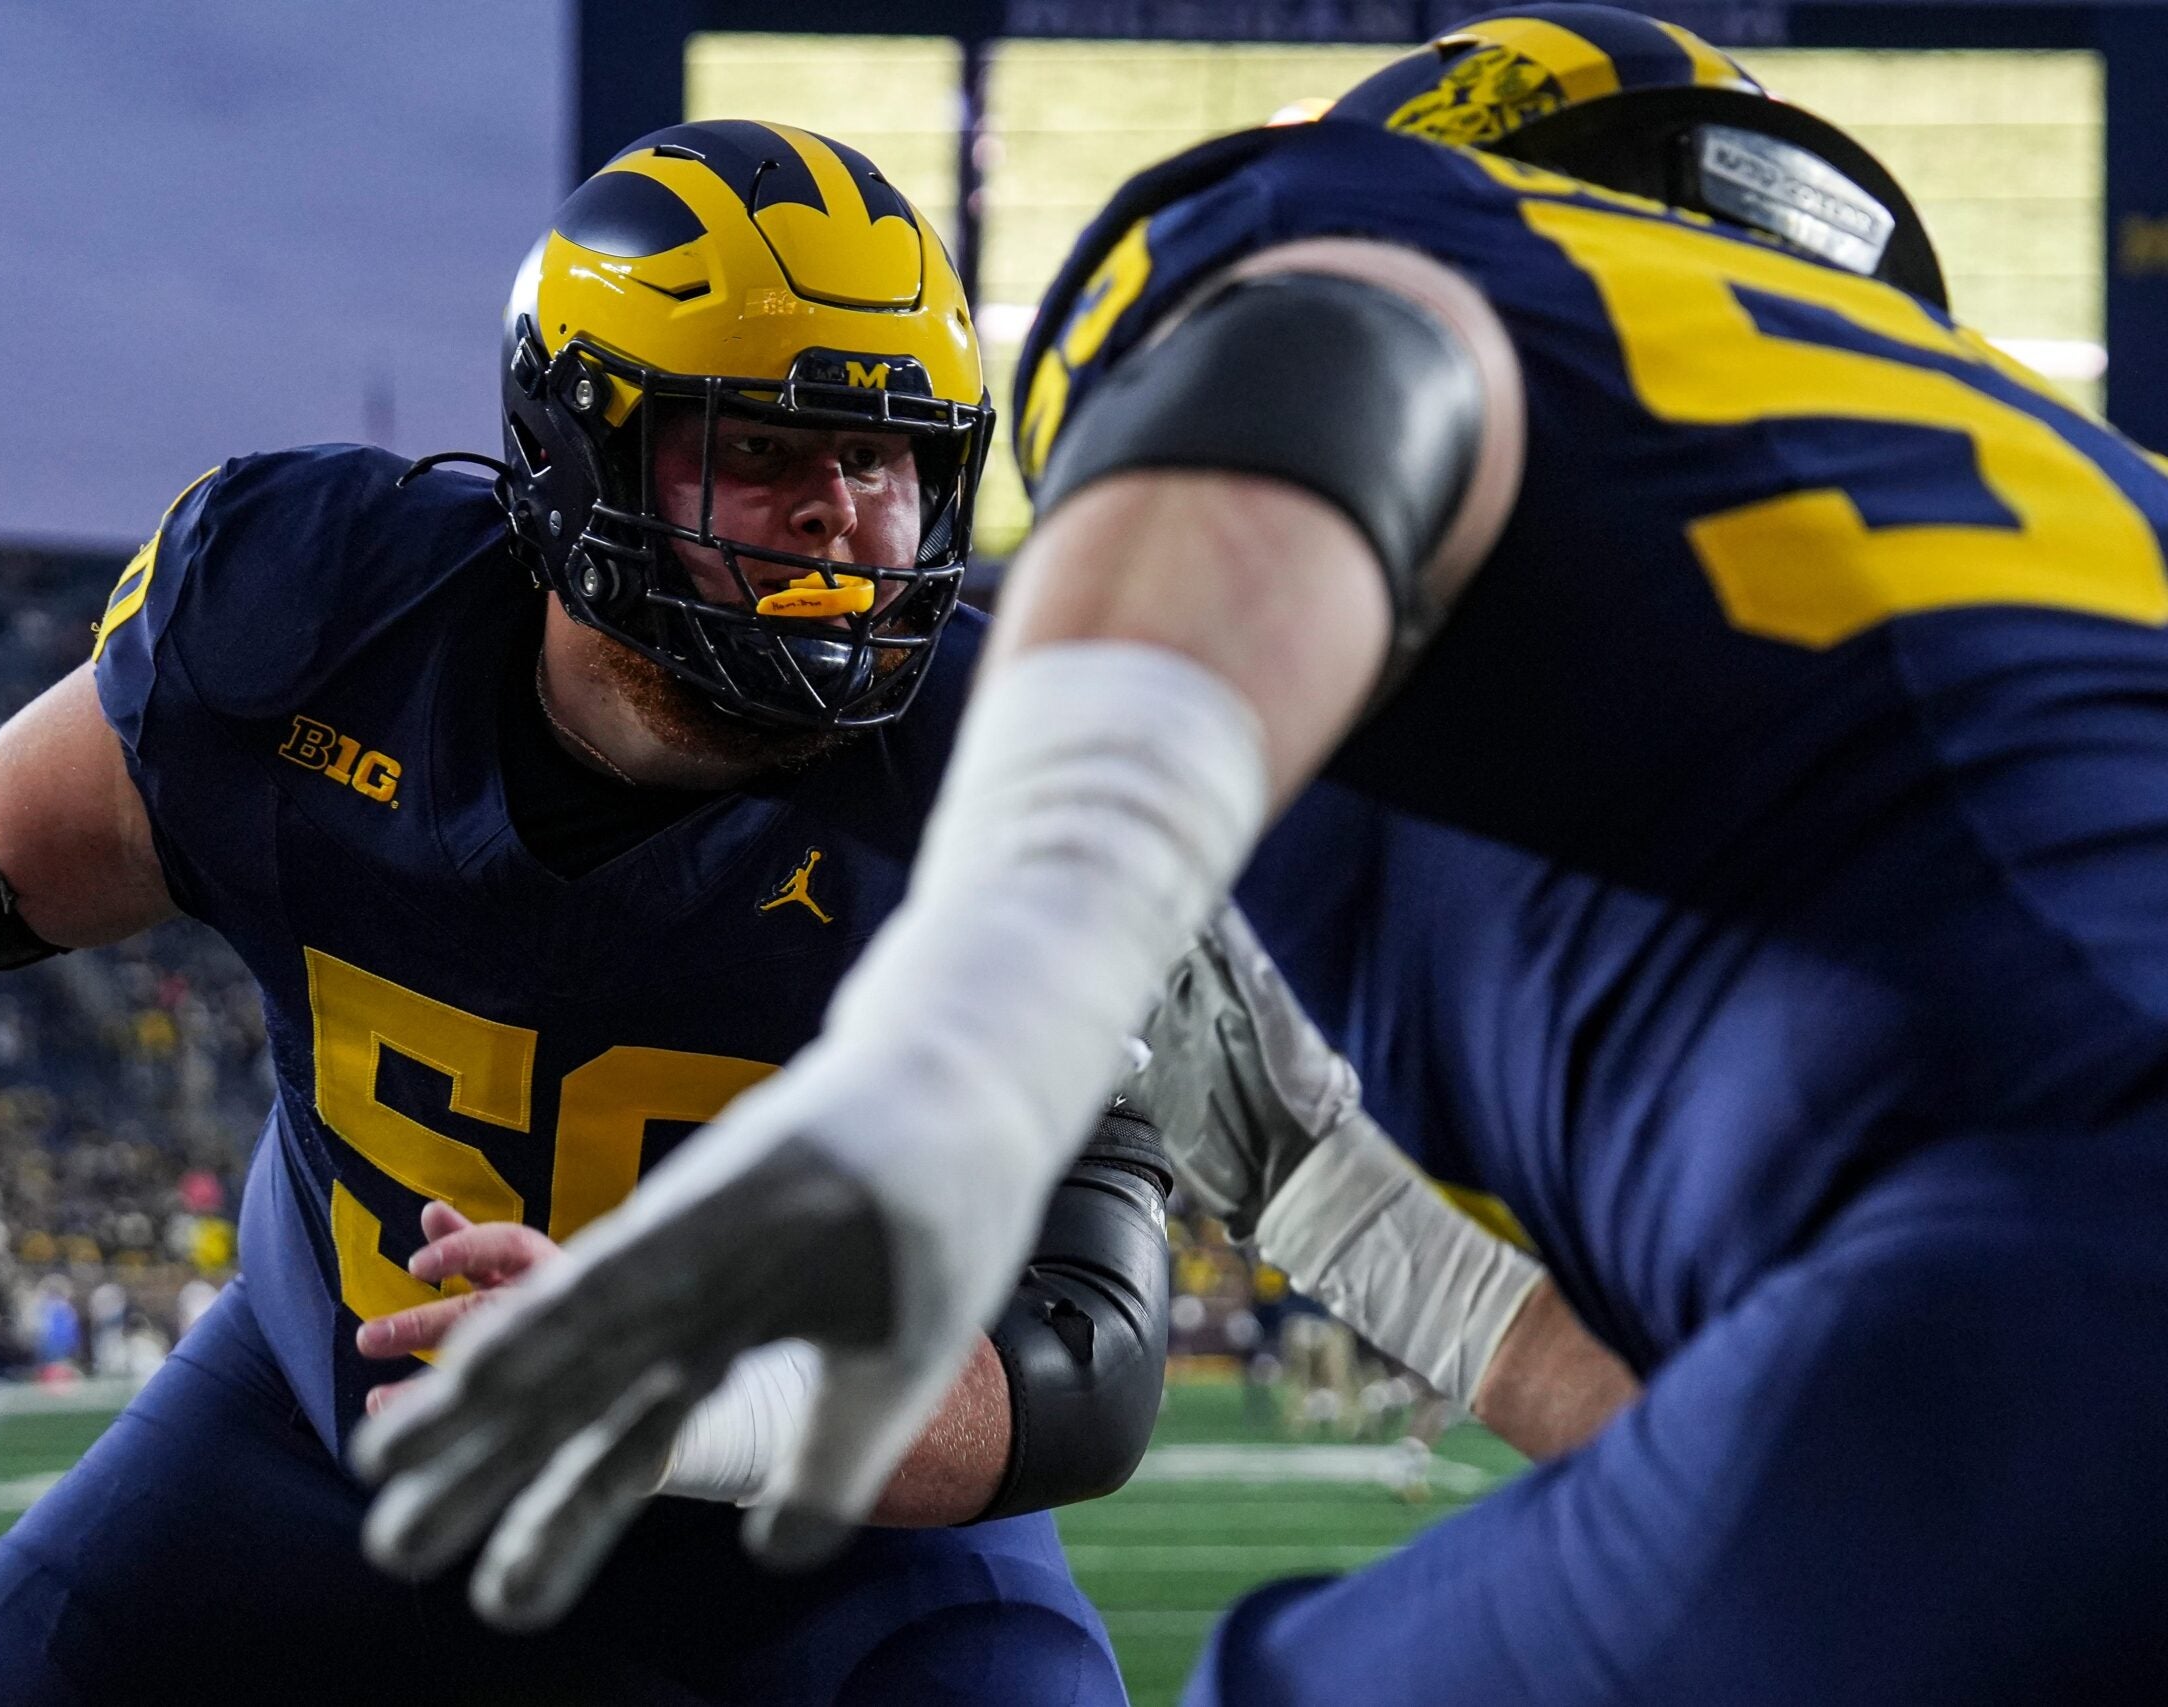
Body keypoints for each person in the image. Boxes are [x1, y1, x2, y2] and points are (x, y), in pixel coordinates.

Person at [374, 10, 2168, 1701]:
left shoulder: (1376, 280)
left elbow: (1332, 355)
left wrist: (979, 1003)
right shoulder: (2087, 506)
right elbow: (1573, 1338)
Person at [0, 122, 1232, 1703]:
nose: (842, 518)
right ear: (576, 453)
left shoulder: (1024, 781)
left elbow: (1086, 1356)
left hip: (824, 1533)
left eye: (879, 457)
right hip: (333, 1447)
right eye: (761, 451)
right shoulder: (317, 628)